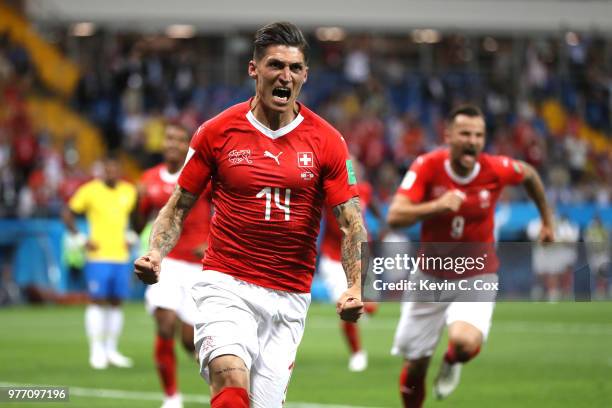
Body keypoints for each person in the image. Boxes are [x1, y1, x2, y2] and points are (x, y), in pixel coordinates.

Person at [134, 22, 367, 408]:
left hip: (289, 296)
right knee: (229, 381)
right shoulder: (217, 132)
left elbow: (350, 221)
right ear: (254, 69)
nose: (285, 76)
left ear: (305, 75)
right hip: (226, 283)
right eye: (276, 65)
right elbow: (178, 205)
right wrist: (156, 252)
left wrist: (355, 285)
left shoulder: (328, 140)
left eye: (295, 68)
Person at [387, 105, 554, 407]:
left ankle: (452, 360)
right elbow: (395, 216)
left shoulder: (496, 168)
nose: (473, 141)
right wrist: (437, 206)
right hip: (430, 276)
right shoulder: (427, 165)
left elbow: (529, 174)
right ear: (448, 135)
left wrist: (547, 221)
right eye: (465, 133)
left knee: (464, 343)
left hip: (476, 273)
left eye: (479, 135)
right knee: (415, 367)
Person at [136, 123, 212, 408]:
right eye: (169, 138)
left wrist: (212, 241)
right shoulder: (149, 178)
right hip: (165, 263)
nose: (173, 144)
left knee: (191, 341)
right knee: (165, 323)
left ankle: (226, 387)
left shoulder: (202, 175)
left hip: (197, 266)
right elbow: (138, 224)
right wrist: (138, 201)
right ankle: (171, 397)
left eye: (180, 140)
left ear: (188, 146)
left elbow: (225, 209)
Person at [63, 154, 137, 369]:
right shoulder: (90, 190)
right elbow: (68, 213)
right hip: (98, 256)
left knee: (116, 302)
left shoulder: (128, 191)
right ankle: (96, 350)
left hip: (121, 256)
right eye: (107, 169)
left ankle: (111, 350)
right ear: (102, 170)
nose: (111, 173)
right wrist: (80, 238)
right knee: (97, 300)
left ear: (119, 170)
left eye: (114, 169)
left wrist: (133, 233)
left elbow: (138, 215)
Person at [318, 160, 380, 372]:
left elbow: (373, 206)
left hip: (360, 256)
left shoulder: (365, 190)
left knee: (371, 307)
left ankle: (365, 309)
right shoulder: (328, 192)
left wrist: (384, 225)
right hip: (334, 258)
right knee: (348, 305)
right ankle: (357, 353)